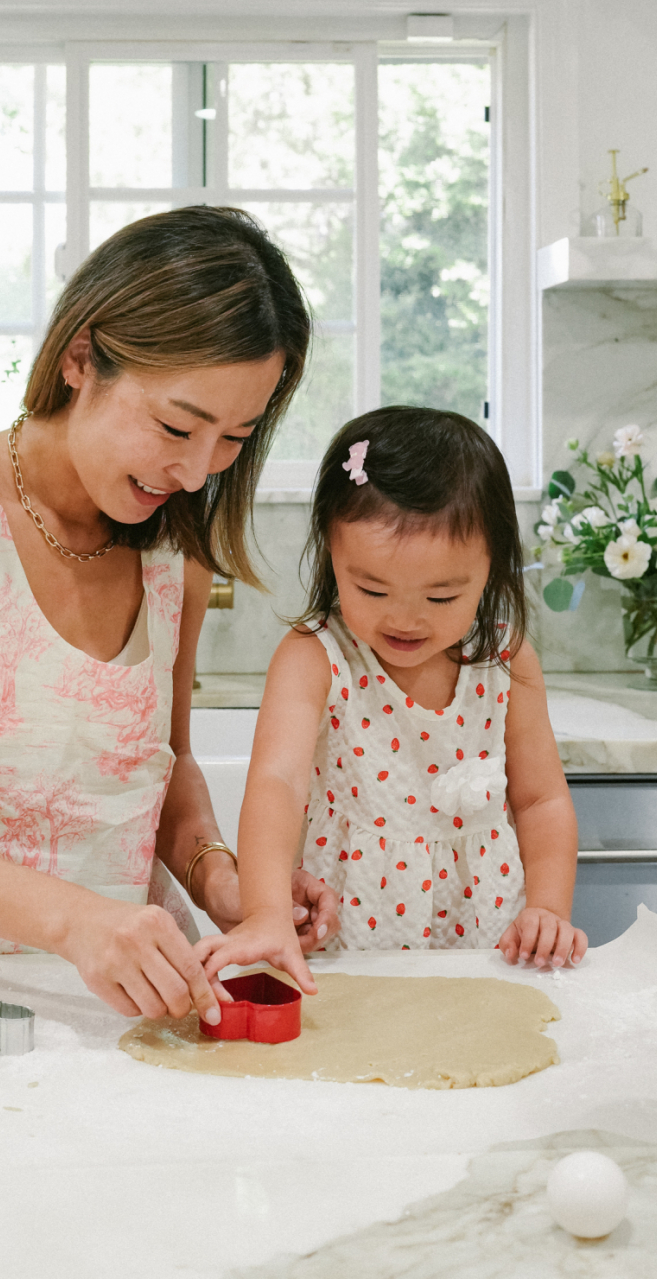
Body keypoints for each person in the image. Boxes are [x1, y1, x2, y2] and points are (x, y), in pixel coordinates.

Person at [0, 206, 338, 1025]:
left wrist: (222, 881)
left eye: (233, 438)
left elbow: (169, 765)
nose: (195, 473)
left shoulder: (175, 553)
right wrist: (77, 921)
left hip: (103, 1006)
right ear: (82, 358)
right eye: (175, 425)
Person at [198, 404, 588, 996]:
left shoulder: (506, 658)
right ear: (331, 551)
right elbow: (277, 784)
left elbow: (541, 802)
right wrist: (267, 911)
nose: (404, 618)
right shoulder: (316, 657)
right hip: (349, 937)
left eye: (442, 597)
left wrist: (549, 910)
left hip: (487, 941)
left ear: (490, 570)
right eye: (372, 588)